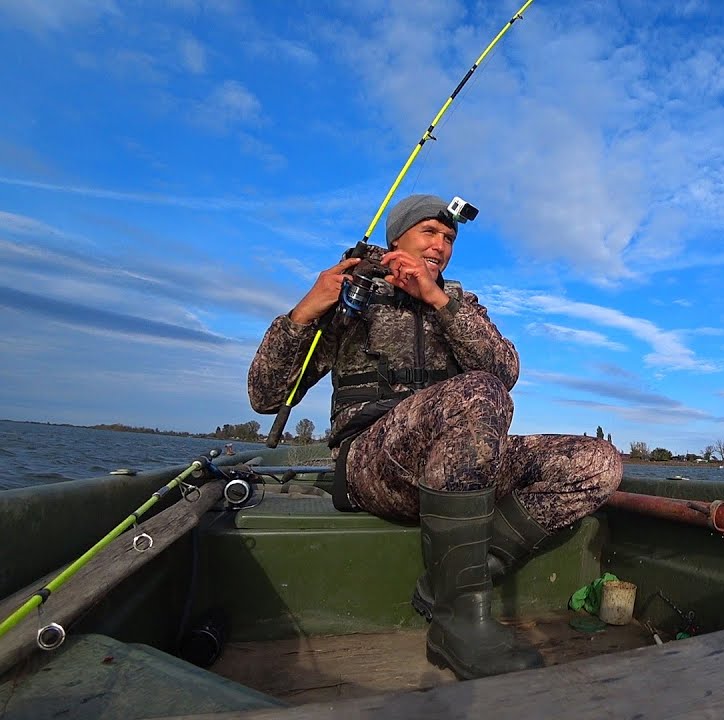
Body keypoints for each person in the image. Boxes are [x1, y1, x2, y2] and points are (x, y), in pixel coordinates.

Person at [247, 194, 622, 679]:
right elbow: (265, 395)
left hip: (460, 465)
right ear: (396, 237)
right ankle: (459, 621)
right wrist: (305, 310)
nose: (441, 245)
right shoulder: (352, 297)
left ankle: (457, 577)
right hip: (374, 463)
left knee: (598, 462)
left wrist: (439, 302)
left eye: (448, 239)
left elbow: (503, 372)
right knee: (475, 392)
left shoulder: (460, 305)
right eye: (429, 232)